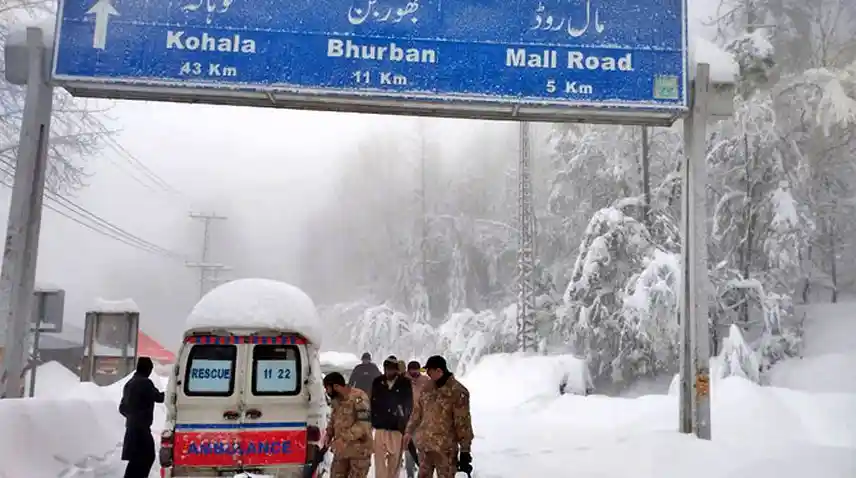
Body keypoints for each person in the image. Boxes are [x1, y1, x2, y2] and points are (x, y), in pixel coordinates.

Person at [404, 355, 473, 478]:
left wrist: (465, 450)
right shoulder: (427, 387)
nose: (428, 375)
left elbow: (463, 424)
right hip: (425, 446)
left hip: (445, 450)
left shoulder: (457, 392)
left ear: (439, 370)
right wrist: (409, 431)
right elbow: (417, 412)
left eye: (429, 371)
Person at [119, 356, 165, 478]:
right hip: (141, 430)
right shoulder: (145, 383)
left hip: (131, 429)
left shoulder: (129, 384)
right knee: (147, 457)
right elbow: (160, 398)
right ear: (148, 369)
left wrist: (132, 416)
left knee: (135, 461)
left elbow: (122, 408)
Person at [370, 356, 413, 478]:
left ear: (397, 370)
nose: (389, 372)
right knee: (379, 461)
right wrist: (372, 421)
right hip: (380, 427)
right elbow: (372, 402)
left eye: (392, 370)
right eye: (387, 369)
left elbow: (409, 404)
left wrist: (405, 421)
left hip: (396, 427)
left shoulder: (404, 383)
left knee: (395, 462)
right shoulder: (377, 382)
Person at [324, 371, 373, 478]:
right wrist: (329, 434)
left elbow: (363, 424)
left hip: (359, 453)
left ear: (336, 386)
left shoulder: (359, 397)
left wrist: (343, 439)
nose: (327, 391)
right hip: (341, 453)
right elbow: (333, 419)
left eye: (328, 388)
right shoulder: (337, 400)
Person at [402, 361, 432, 478]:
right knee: (408, 449)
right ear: (408, 370)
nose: (414, 373)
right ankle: (410, 475)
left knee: (423, 449)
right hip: (407, 420)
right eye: (412, 370)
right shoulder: (403, 380)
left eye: (416, 370)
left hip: (423, 420)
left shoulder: (426, 381)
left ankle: (423, 471)